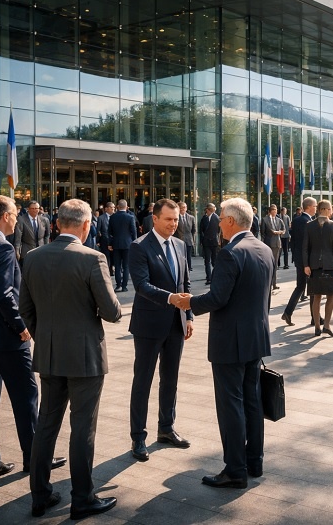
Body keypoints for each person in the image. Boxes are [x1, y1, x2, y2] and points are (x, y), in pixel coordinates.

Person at [20, 199, 121, 519]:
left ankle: (40, 495)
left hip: (49, 353)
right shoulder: (93, 258)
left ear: (57, 223)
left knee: (46, 425)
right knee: (83, 427)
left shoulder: (33, 257)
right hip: (85, 356)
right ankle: (82, 498)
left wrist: (45, 337)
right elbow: (112, 312)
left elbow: (26, 309)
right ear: (87, 225)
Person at [0, 195, 66, 484]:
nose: (17, 218)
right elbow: (5, 295)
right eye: (15, 213)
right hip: (7, 338)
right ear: (4, 216)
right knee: (26, 398)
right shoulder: (2, 248)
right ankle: (34, 458)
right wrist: (20, 327)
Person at [174, 197, 274, 489]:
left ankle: (234, 469)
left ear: (231, 221)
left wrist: (188, 301)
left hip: (231, 341)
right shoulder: (264, 249)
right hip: (256, 336)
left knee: (231, 404)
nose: (218, 223)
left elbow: (218, 298)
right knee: (252, 402)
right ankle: (254, 461)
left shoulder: (231, 253)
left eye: (221, 219)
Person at [128, 199, 194, 461]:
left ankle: (166, 429)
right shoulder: (139, 246)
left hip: (176, 325)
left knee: (171, 380)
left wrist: (188, 315)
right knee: (142, 381)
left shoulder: (180, 245)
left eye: (176, 219)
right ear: (154, 219)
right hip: (149, 325)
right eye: (168, 219)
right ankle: (138, 438)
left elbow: (185, 281)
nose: (173, 224)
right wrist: (170, 299)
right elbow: (141, 285)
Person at [303, 200, 333, 337]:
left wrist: (306, 265)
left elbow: (305, 248)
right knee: (331, 296)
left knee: (316, 296)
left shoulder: (309, 225)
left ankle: (318, 327)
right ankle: (326, 326)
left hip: (314, 265)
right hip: (330, 265)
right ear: (325, 209)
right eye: (331, 209)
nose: (332, 212)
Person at [281, 198, 317, 326]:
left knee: (301, 286)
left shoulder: (297, 220)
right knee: (312, 288)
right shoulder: (306, 221)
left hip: (300, 259)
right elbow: (305, 244)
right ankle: (315, 317)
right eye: (315, 206)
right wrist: (307, 263)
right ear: (309, 207)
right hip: (306, 260)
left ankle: (288, 312)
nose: (316, 208)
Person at [108, 199, 137, 292]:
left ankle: (118, 285)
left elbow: (109, 232)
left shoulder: (113, 217)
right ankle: (124, 286)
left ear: (117, 206)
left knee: (117, 265)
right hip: (127, 244)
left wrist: (110, 243)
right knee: (126, 266)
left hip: (116, 243)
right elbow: (134, 231)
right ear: (126, 206)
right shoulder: (130, 217)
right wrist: (134, 242)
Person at [260, 204, 285, 290]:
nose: (275, 211)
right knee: (268, 264)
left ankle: (274, 283)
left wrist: (279, 232)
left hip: (277, 244)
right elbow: (262, 233)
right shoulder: (264, 220)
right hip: (268, 244)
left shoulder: (279, 220)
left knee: (274, 264)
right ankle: (267, 283)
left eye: (276, 210)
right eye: (273, 210)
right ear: (270, 211)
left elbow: (284, 230)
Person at [199, 203, 220, 285]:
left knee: (214, 261)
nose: (206, 211)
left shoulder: (217, 218)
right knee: (207, 261)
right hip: (206, 242)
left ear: (208, 210)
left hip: (214, 242)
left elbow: (219, 230)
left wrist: (218, 240)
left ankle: (216, 277)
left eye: (207, 210)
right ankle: (209, 278)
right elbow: (201, 231)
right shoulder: (204, 218)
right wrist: (201, 241)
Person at [175, 202, 197, 272]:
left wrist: (192, 239)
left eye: (184, 207)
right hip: (178, 240)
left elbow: (194, 230)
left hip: (188, 240)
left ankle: (188, 268)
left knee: (188, 256)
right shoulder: (175, 217)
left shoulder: (191, 218)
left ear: (186, 208)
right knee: (179, 256)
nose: (182, 209)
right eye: (181, 208)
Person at [97, 202, 115, 275]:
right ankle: (107, 271)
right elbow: (98, 230)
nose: (113, 209)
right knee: (106, 256)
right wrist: (98, 240)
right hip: (104, 240)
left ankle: (112, 270)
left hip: (114, 240)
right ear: (106, 209)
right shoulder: (101, 218)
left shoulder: (116, 217)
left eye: (114, 208)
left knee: (113, 256)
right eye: (111, 208)